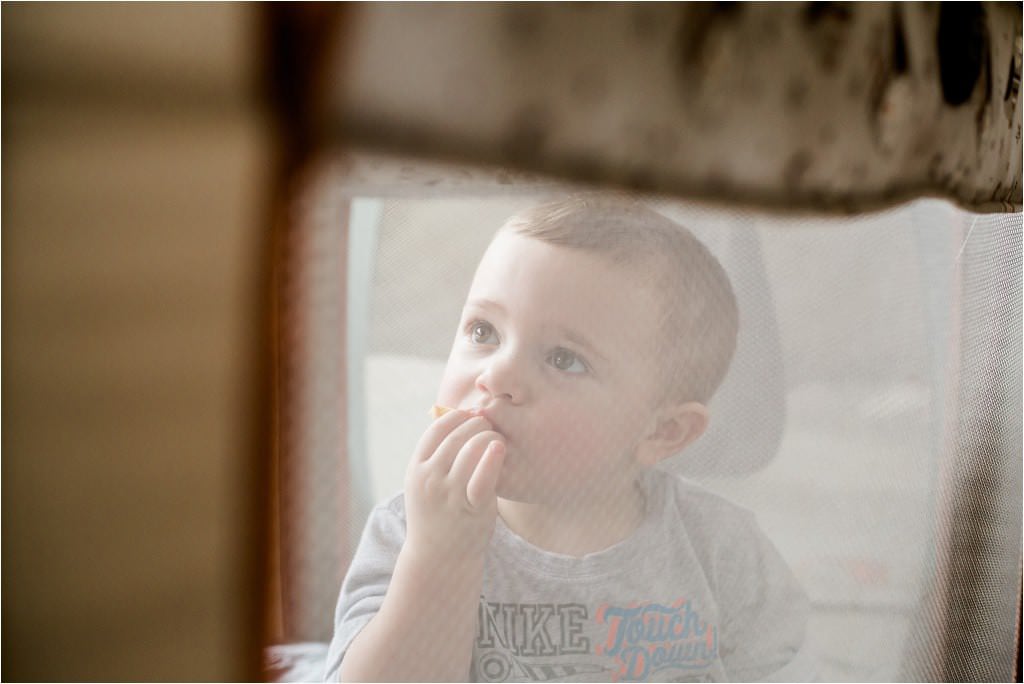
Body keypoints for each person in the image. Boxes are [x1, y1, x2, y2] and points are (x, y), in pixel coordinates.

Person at [324, 195, 811, 682]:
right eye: (483, 330)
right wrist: (439, 557)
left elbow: (785, 668)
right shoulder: (409, 530)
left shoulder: (719, 550)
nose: (496, 376)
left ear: (662, 431)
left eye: (563, 359)